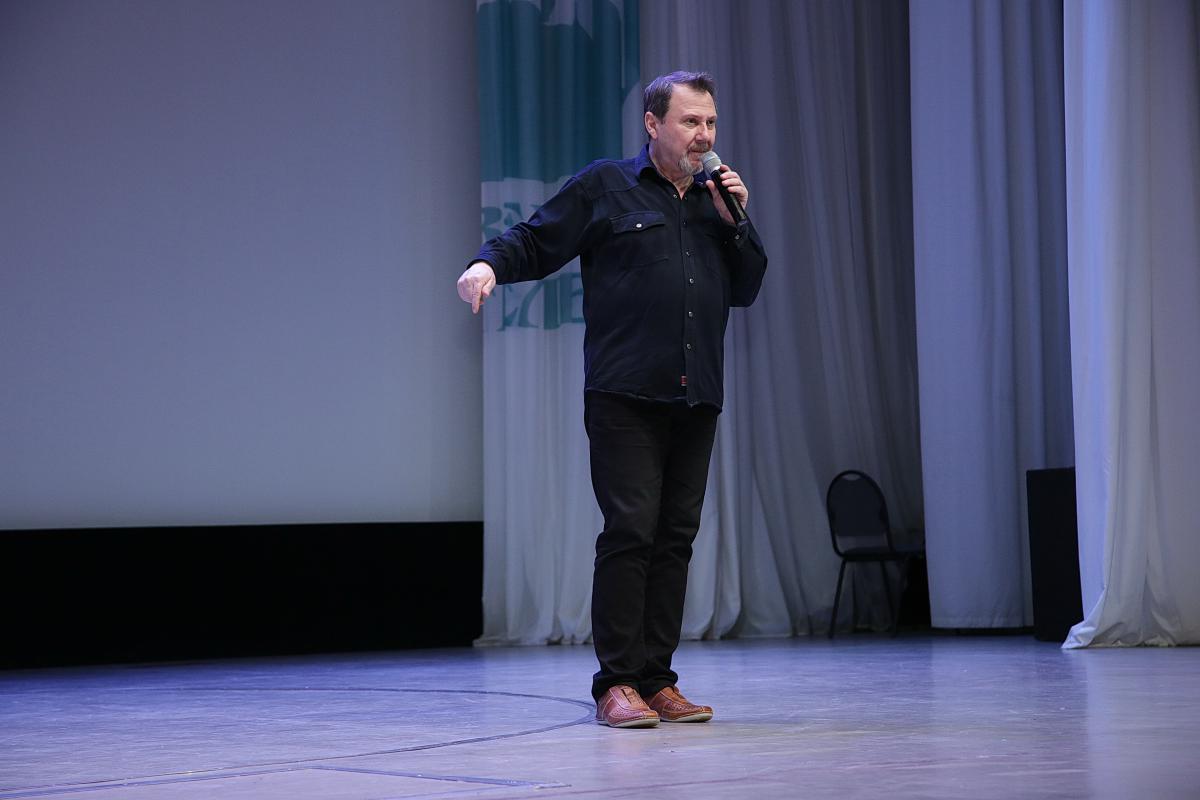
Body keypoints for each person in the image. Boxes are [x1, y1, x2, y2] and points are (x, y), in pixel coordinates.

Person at [457, 71, 768, 728]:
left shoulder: (715, 200)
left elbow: (746, 288)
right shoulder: (608, 185)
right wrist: (488, 264)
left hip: (696, 393)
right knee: (631, 531)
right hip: (624, 393)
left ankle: (658, 679)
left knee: (676, 537)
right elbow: (538, 237)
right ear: (653, 124)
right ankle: (617, 682)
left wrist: (736, 224)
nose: (704, 135)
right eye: (690, 121)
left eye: (710, 122)